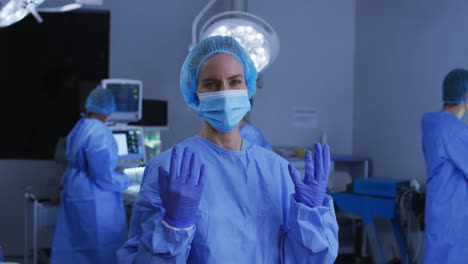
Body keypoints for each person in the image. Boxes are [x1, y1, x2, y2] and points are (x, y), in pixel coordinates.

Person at [117, 36, 338, 263]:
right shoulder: (168, 168)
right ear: (195, 92)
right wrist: (173, 227)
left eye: (234, 82)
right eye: (211, 84)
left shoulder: (278, 169)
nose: (224, 93)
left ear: (248, 88)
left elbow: (308, 259)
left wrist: (311, 217)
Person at [51, 87, 131, 264]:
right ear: (108, 108)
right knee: (99, 248)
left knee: (77, 247)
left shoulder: (80, 126)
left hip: (75, 190)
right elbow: (101, 175)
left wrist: (59, 188)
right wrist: (125, 180)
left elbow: (74, 164)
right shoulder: (99, 131)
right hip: (95, 196)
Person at [421, 68, 468, 264]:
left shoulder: (432, 123)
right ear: (465, 95)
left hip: (440, 208)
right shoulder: (453, 130)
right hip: (453, 215)